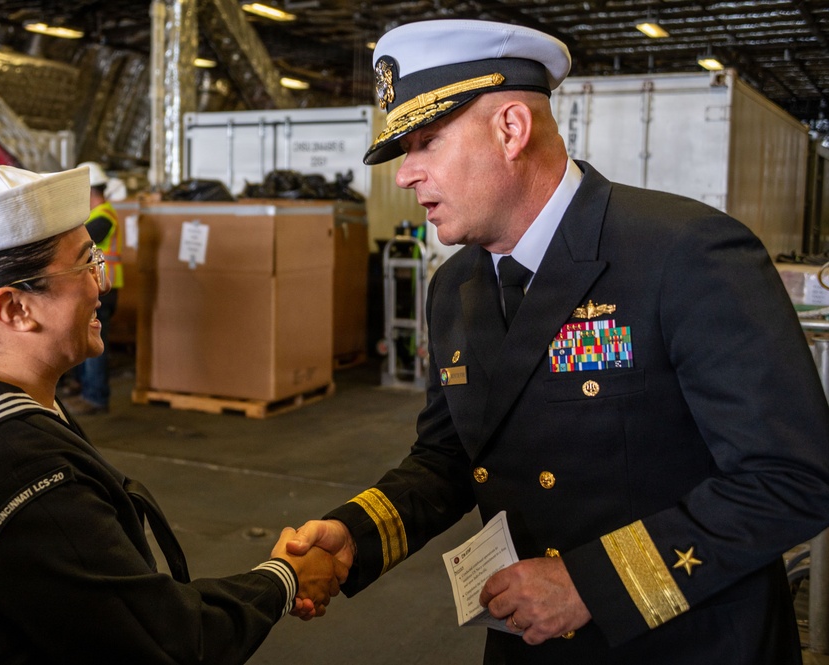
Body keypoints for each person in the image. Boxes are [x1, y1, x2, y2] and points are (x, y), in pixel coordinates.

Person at [287, 18, 829, 664]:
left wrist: (590, 585)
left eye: (424, 142)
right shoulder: (453, 287)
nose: (405, 175)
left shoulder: (682, 254)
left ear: (511, 128)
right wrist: (358, 532)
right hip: (531, 643)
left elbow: (793, 476)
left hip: (687, 642)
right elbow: (448, 456)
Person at [0, 164, 344, 663]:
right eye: (85, 264)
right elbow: (171, 641)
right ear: (15, 310)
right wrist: (285, 577)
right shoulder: (15, 469)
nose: (102, 284)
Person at [61, 160, 123, 415]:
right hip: (93, 287)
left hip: (104, 289)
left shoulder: (104, 216)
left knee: (96, 343)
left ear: (88, 191)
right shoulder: (95, 215)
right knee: (84, 340)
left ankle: (96, 397)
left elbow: (76, 242)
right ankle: (83, 387)